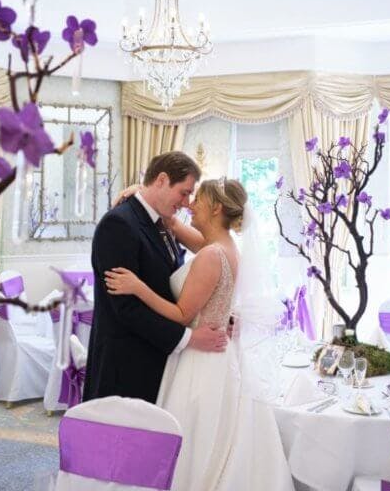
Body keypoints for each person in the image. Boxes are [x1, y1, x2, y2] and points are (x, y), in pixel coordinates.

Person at [104, 178, 292, 491]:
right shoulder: (223, 247)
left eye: (198, 200)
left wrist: (138, 288)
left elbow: (182, 315)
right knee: (218, 434)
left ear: (216, 207)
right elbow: (173, 223)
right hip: (220, 355)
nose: (191, 204)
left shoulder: (210, 255)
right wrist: (140, 191)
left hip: (201, 359)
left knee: (195, 437)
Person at [83, 152, 229, 404]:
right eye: (184, 193)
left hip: (156, 361)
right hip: (126, 367)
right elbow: (126, 310)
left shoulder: (164, 222)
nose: (186, 203)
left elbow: (174, 286)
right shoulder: (118, 225)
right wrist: (188, 338)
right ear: (162, 180)